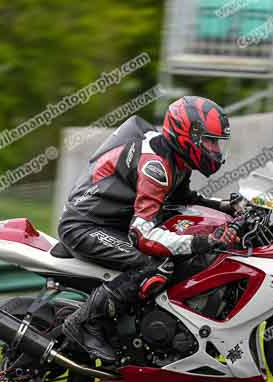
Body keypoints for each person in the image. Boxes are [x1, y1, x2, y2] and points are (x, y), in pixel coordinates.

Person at [57, 96, 243, 363]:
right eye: (209, 141)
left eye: (217, 142)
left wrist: (227, 206)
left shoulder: (176, 158)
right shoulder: (155, 164)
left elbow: (182, 198)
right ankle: (83, 324)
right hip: (85, 226)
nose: (214, 149)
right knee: (151, 263)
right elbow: (142, 235)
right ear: (186, 136)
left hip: (113, 222)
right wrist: (200, 242)